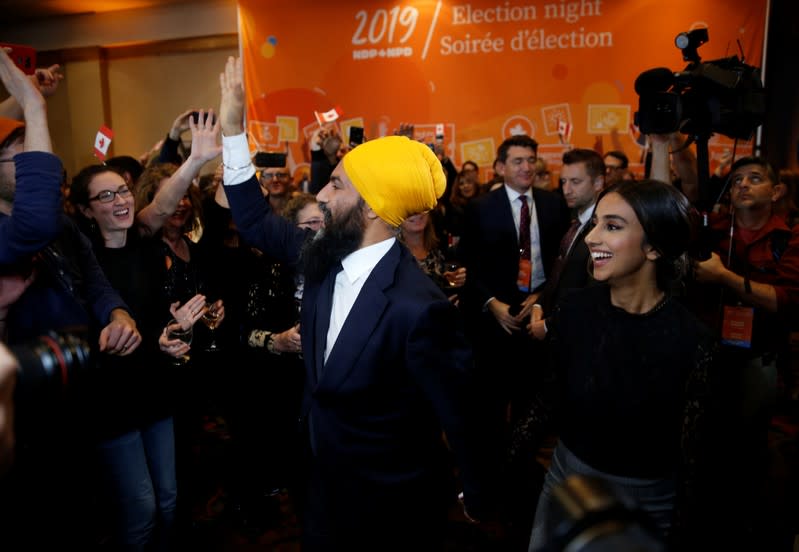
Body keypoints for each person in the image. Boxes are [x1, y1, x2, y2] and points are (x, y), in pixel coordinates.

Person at [218, 56, 490, 550]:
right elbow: (254, 221)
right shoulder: (321, 255)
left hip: (388, 503)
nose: (320, 192)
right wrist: (233, 130)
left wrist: (475, 496)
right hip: (318, 484)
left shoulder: (419, 306)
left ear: (371, 207)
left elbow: (460, 413)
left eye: (336, 184)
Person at [525, 180, 718, 550]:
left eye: (612, 226)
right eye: (595, 223)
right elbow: (544, 406)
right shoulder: (576, 311)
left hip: (647, 503)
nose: (591, 237)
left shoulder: (693, 341)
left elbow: (694, 459)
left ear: (654, 247)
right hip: (566, 480)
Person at [67, 109, 221, 550]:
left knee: (170, 502)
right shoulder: (81, 265)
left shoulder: (143, 242)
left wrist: (172, 330)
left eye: (123, 190)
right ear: (83, 210)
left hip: (154, 392)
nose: (121, 200)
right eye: (105, 196)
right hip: (110, 404)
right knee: (141, 510)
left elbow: (163, 204)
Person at [530, 148, 605, 336]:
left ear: (598, 183)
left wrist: (549, 325)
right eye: (563, 181)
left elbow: (596, 293)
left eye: (575, 182)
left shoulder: (604, 229)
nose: (566, 190)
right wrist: (540, 303)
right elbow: (559, 270)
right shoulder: (571, 220)